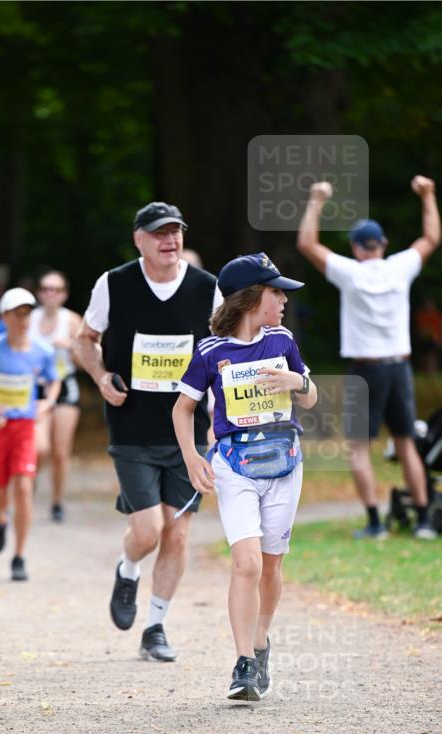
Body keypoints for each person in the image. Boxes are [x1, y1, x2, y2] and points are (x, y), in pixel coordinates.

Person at [73, 201, 222, 662]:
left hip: (187, 434)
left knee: (177, 533)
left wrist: (221, 416)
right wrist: (101, 377)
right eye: (159, 232)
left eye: (175, 231)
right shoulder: (114, 283)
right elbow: (84, 339)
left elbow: (223, 353)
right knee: (149, 530)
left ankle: (155, 627)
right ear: (139, 239)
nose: (169, 240)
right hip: (132, 426)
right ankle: (128, 566)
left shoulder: (208, 288)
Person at [172, 253, 317, 701]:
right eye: (277, 292)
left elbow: (310, 397)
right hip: (234, 466)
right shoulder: (210, 351)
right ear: (252, 298)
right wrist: (191, 457)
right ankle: (243, 663)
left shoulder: (282, 340)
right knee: (247, 562)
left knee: (271, 564)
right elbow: (182, 408)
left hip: (284, 463)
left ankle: (260, 640)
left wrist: (296, 383)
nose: (284, 300)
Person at [297, 176, 441, 540]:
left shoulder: (351, 273)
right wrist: (428, 196)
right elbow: (431, 239)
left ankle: (376, 522)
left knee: (358, 447)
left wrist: (316, 200)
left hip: (365, 370)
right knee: (406, 443)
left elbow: (307, 244)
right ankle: (424, 520)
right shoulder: (400, 267)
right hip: (400, 367)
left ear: (356, 247)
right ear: (384, 244)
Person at [0, 287, 60, 582]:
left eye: (27, 314)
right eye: (17, 314)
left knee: (24, 487)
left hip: (24, 426)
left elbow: (53, 381)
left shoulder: (43, 350)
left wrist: (48, 403)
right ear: (4, 317)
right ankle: (0, 518)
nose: (23, 320)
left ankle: (19, 556)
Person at [30, 270, 83, 522]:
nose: (50, 293)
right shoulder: (29, 318)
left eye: (56, 289)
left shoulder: (71, 320)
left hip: (65, 385)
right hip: (36, 387)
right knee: (38, 449)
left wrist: (71, 347)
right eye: (46, 288)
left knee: (61, 452)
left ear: (64, 294)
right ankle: (27, 492)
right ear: (39, 293)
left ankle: (57, 502)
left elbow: (88, 360)